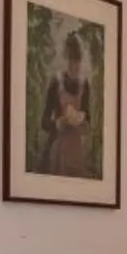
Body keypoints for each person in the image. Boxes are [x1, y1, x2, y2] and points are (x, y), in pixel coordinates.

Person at [39, 29, 95, 178]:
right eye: (71, 60)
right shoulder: (56, 82)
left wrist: (83, 122)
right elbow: (44, 122)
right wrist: (56, 124)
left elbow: (87, 118)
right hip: (58, 147)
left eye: (77, 61)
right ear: (65, 58)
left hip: (76, 151)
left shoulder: (84, 85)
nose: (73, 66)